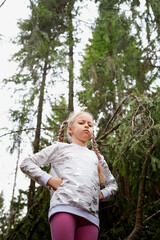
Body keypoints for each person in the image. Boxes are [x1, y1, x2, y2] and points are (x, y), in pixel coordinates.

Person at [20, 111, 118, 240]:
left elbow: (113, 185)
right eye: (81, 123)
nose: (87, 126)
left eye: (90, 124)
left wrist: (102, 194)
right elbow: (27, 163)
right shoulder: (60, 148)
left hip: (91, 215)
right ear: (70, 129)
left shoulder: (97, 158)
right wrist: (49, 180)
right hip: (63, 207)